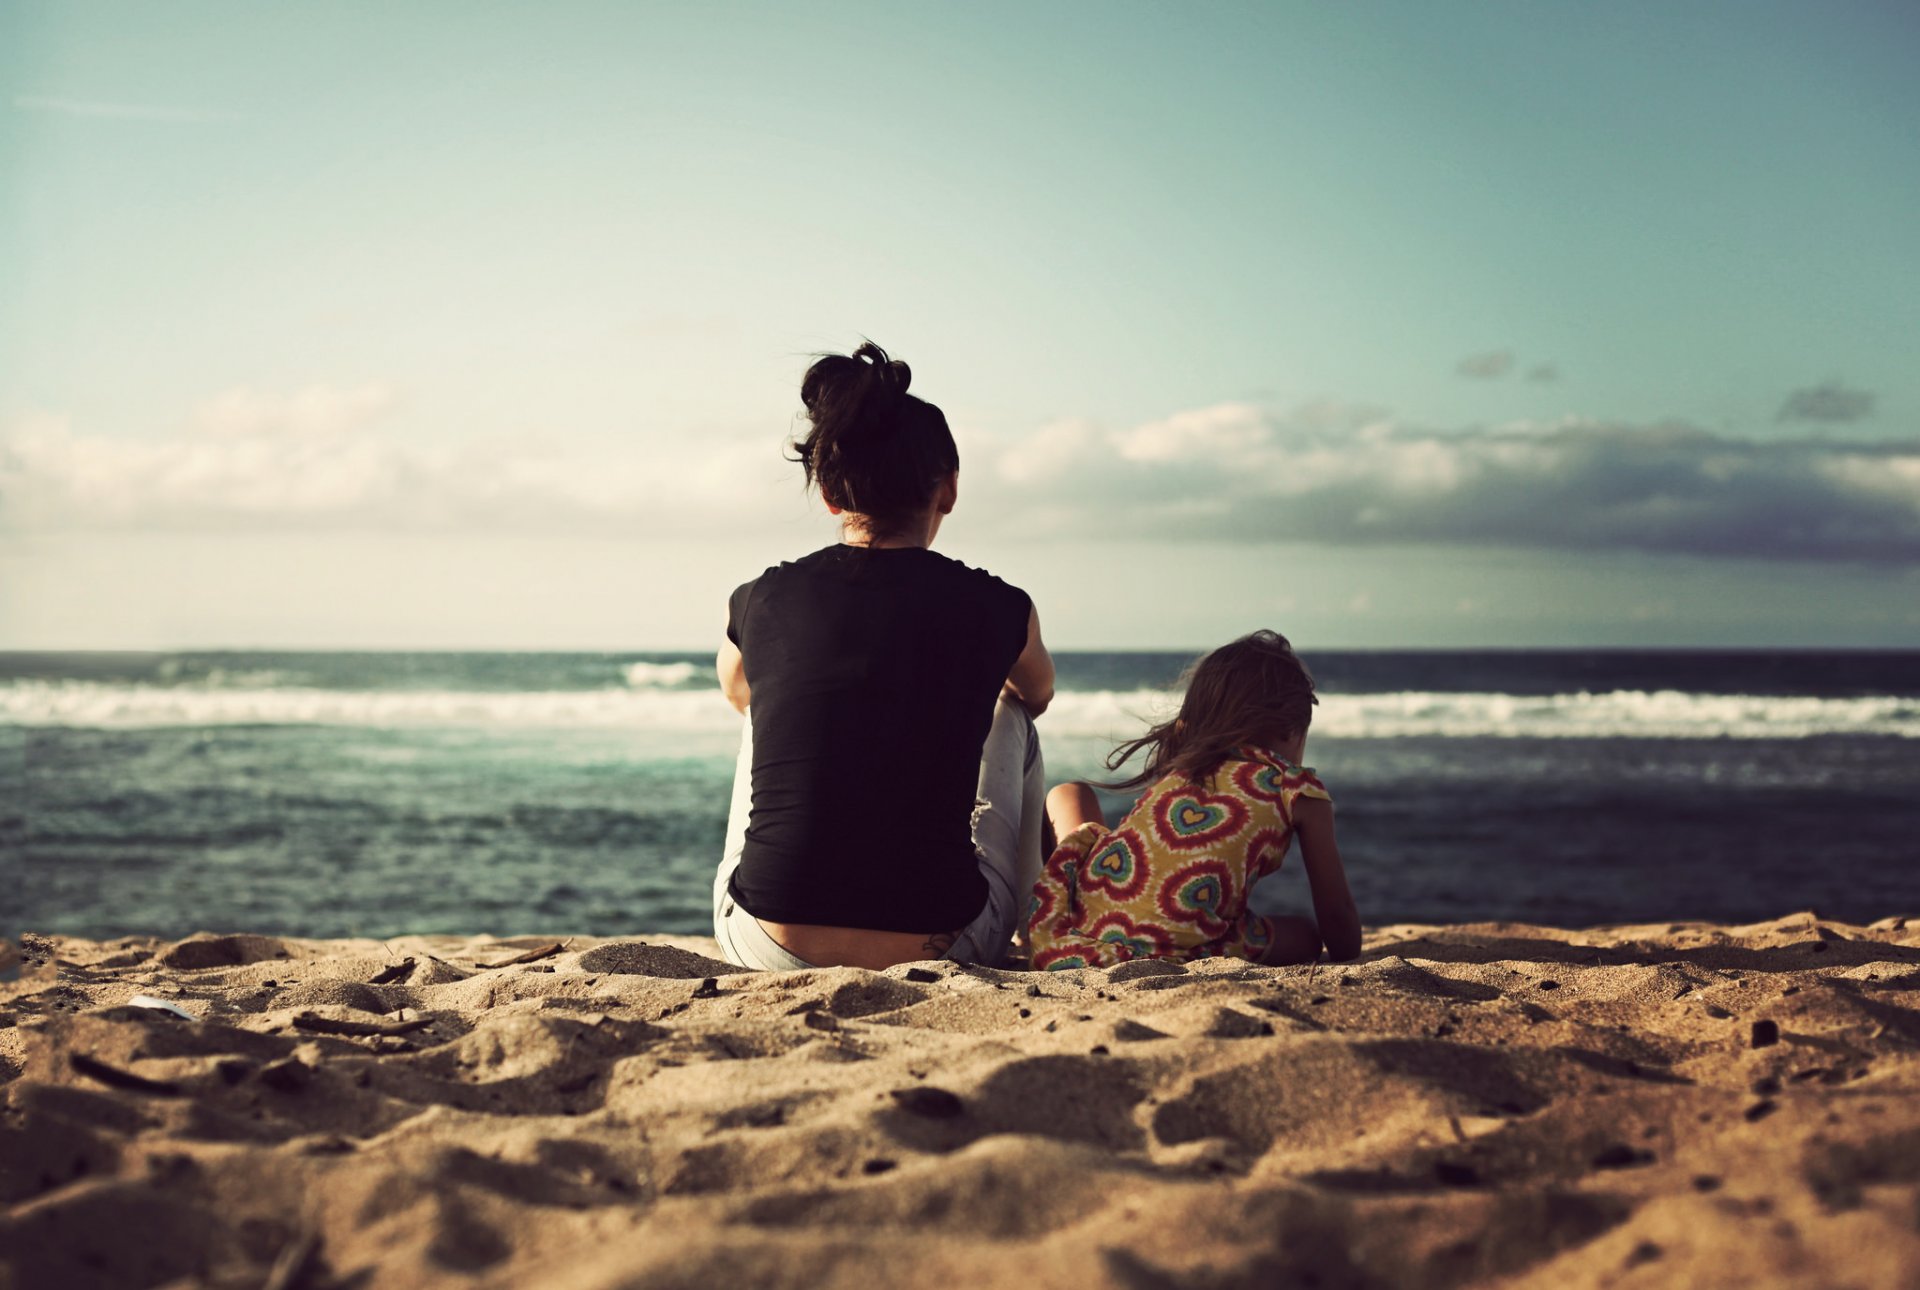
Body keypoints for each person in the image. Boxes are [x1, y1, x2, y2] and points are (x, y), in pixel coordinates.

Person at [713, 342, 1055, 971]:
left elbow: (738, 693)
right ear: (948, 490)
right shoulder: (1001, 606)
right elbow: (1038, 694)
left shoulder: (761, 596)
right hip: (946, 942)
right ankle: (1045, 932)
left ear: (831, 496)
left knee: (762, 705)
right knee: (1014, 717)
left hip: (767, 945)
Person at [1028, 630, 1360, 969]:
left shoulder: (1188, 762)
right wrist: (1347, 953)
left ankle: (1050, 899)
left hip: (1065, 944)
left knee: (1070, 793)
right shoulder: (1297, 788)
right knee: (1304, 935)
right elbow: (1336, 914)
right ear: (1291, 731)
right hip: (1182, 953)